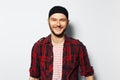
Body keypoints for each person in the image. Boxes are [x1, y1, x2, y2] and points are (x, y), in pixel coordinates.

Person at [29, 6, 94, 80]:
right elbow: (34, 77)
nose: (58, 24)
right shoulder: (39, 46)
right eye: (54, 20)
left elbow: (89, 75)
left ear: (67, 22)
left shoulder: (78, 46)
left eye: (62, 20)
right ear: (48, 21)